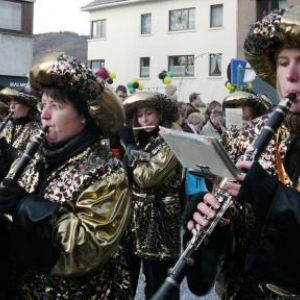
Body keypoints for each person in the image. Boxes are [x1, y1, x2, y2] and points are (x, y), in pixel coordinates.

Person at [183, 6, 300, 300]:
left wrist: (264, 191)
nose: (292, 75)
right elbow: (234, 220)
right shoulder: (246, 134)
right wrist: (213, 223)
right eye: (283, 63)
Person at [0, 51, 133, 299]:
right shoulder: (35, 156)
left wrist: (24, 206)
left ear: (84, 116)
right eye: (44, 104)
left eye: (56, 106)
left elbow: (88, 246)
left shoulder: (108, 172)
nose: (44, 115)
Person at [118, 91, 183, 299]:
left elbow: (147, 177)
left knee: (159, 280)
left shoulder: (173, 139)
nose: (144, 119)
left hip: (160, 218)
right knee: (127, 277)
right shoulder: (144, 139)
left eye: (149, 113)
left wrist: (130, 148)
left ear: (160, 114)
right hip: (136, 216)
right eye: (139, 115)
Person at [0, 87, 41, 181]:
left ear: (29, 106)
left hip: (15, 183)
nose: (11, 106)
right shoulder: (8, 125)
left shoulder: (36, 130)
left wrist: (6, 147)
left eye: (16, 103)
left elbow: (31, 163)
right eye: (11, 102)